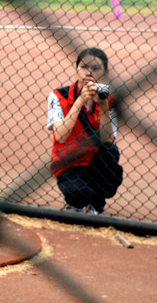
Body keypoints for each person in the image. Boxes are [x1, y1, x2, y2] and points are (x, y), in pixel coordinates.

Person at [47, 47, 123, 215]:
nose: (89, 72)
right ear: (77, 68)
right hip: (69, 162)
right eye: (84, 67)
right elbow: (60, 136)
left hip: (95, 162)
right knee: (79, 195)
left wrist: (102, 105)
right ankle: (77, 202)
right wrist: (80, 101)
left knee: (110, 151)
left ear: (104, 72)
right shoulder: (58, 95)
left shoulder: (109, 99)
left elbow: (108, 140)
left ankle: (95, 206)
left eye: (95, 68)